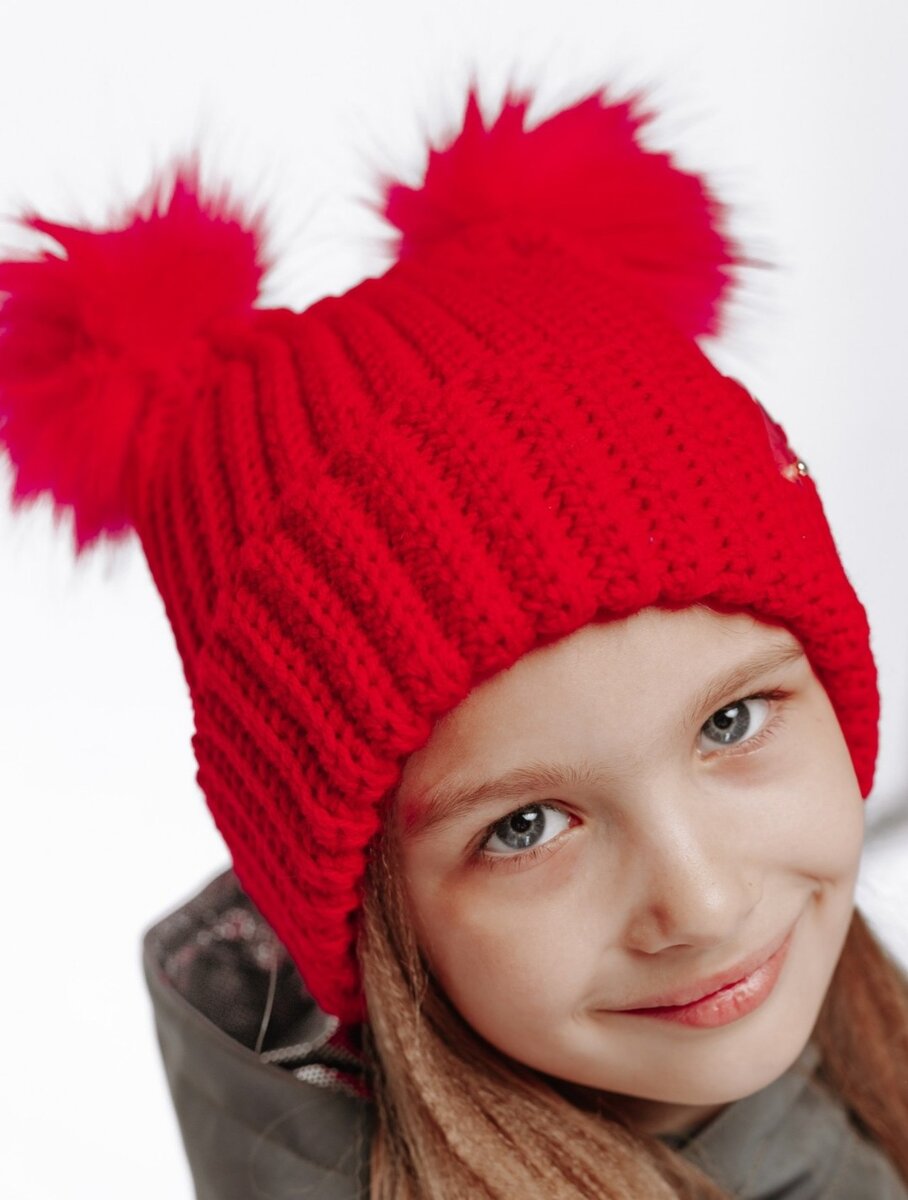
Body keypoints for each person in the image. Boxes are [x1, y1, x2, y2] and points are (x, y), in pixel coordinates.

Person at [1, 74, 906, 1200]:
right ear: (370, 926)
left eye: (730, 722)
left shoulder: (859, 1065)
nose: (704, 904)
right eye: (523, 828)